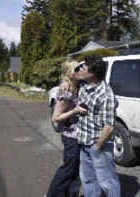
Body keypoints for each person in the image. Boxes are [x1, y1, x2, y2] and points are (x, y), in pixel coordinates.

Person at [76, 55, 121, 197]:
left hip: (98, 145)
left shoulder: (106, 95)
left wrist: (97, 148)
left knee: (107, 182)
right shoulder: (84, 85)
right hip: (84, 142)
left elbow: (109, 127)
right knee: (88, 179)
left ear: (92, 74)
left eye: (84, 68)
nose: (80, 69)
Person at [46, 59, 87, 197]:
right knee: (68, 169)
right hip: (70, 137)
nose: (80, 70)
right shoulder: (66, 91)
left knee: (76, 170)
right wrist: (75, 111)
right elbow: (55, 118)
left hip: (78, 134)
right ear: (70, 73)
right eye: (76, 69)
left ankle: (71, 194)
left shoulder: (77, 84)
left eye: (80, 67)